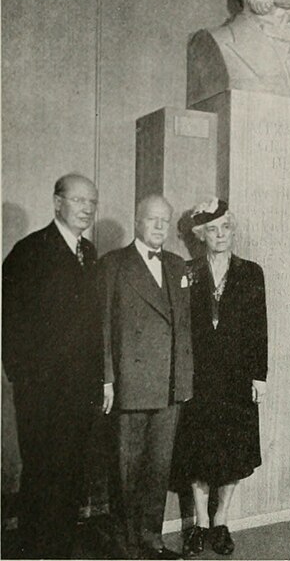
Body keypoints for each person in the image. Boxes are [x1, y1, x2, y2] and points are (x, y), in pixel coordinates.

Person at [2, 173, 109, 559]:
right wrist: (28, 382)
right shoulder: (29, 251)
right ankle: (38, 550)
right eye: (79, 200)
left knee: (70, 474)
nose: (86, 209)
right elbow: (10, 327)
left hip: (80, 393)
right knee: (43, 475)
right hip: (42, 396)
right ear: (57, 203)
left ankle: (61, 548)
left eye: (92, 203)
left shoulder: (90, 253)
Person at [99, 194, 193, 560]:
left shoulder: (176, 264)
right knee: (126, 471)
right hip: (131, 384)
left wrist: (184, 379)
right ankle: (126, 546)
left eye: (164, 221)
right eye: (152, 220)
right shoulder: (114, 264)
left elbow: (183, 327)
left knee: (158, 468)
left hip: (170, 385)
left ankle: (152, 540)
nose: (159, 227)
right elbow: (103, 326)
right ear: (137, 221)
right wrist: (106, 379)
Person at [175, 198, 268, 557]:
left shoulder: (251, 272)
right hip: (199, 377)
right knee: (198, 450)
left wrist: (259, 376)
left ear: (233, 231)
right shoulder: (187, 271)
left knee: (233, 449)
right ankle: (200, 522)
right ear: (201, 236)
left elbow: (259, 328)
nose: (220, 235)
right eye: (212, 229)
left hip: (237, 377)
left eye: (225, 228)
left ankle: (221, 520)